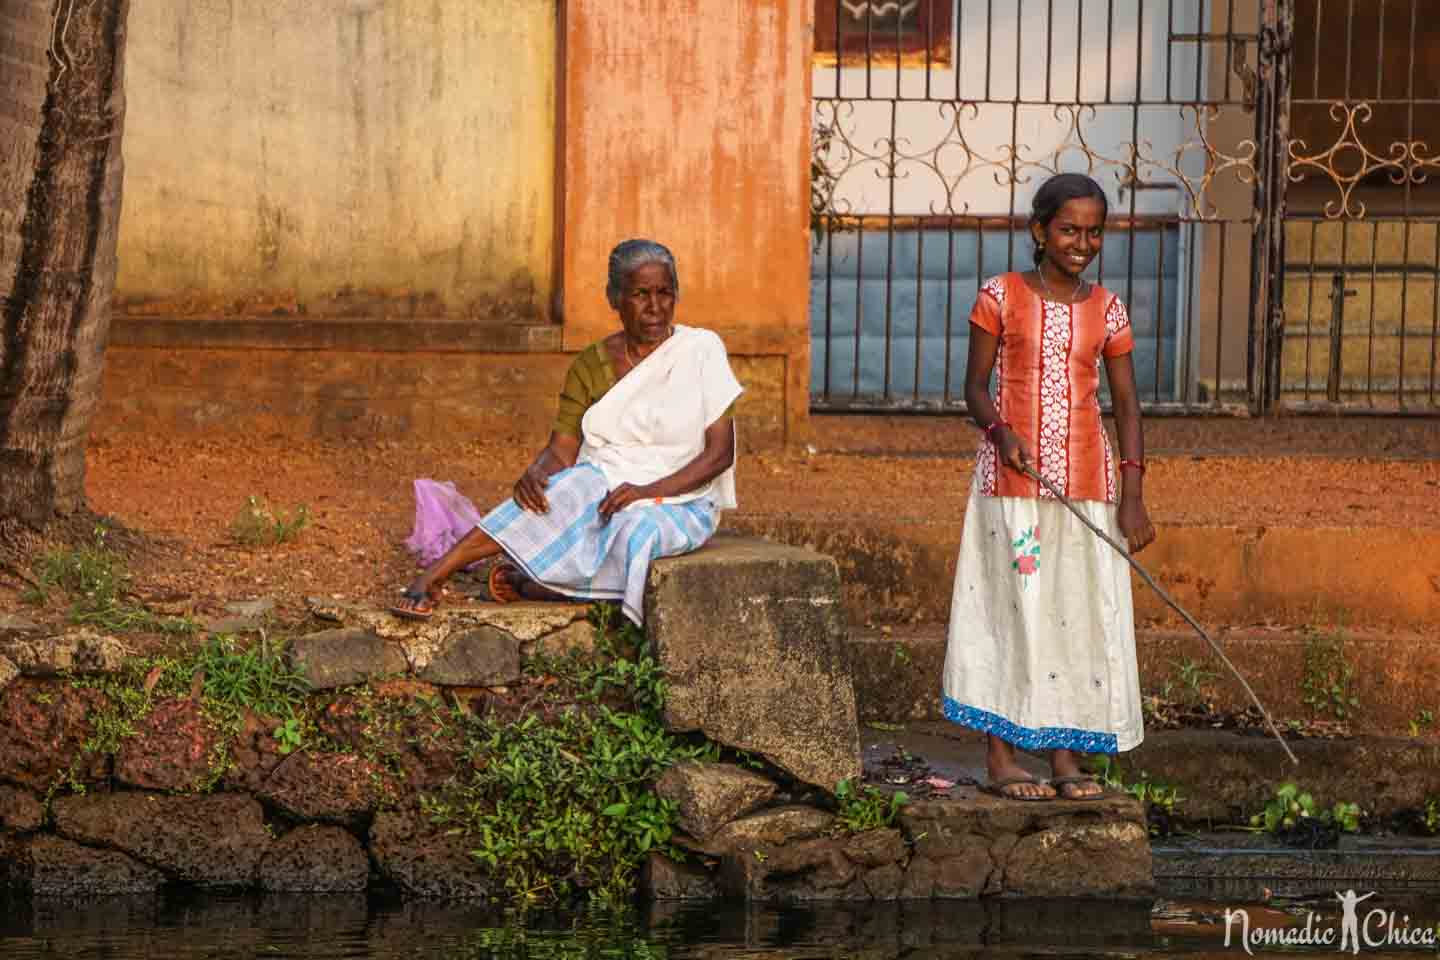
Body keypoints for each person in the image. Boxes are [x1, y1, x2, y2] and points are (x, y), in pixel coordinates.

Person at [390, 238, 742, 626]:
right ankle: (436, 574)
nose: (654, 307)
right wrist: (538, 474)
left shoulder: (701, 350)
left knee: (637, 533)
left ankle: (532, 587)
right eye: (640, 294)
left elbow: (719, 454)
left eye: (664, 293)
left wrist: (647, 492)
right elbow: (562, 450)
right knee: (565, 490)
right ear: (614, 298)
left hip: (683, 499)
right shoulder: (591, 365)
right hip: (610, 482)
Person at [943, 173, 1157, 801]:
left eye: (1093, 232)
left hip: (1088, 486)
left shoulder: (1108, 309)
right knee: (1010, 607)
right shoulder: (999, 296)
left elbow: (1126, 403)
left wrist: (1133, 491)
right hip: (1012, 487)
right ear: (1040, 231)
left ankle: (1067, 757)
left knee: (1075, 613)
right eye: (1068, 229)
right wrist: (1000, 432)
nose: (1081, 242)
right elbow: (974, 388)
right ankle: (1003, 756)